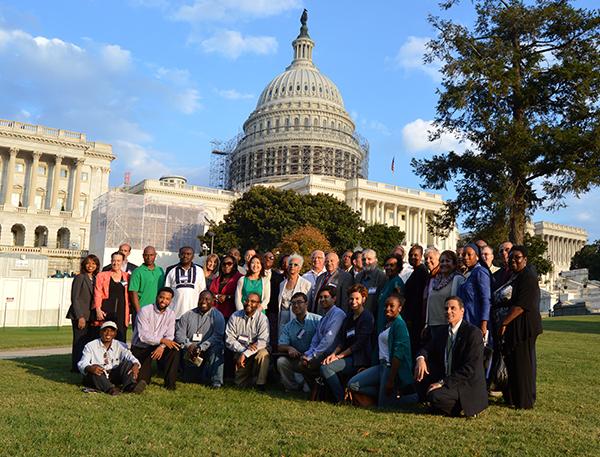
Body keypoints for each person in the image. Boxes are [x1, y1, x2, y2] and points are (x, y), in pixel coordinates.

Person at [414, 296, 488, 417]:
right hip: (447, 376)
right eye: (446, 308)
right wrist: (421, 359)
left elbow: (469, 369)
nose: (448, 311)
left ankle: (462, 407)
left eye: (453, 308)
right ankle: (437, 403)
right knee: (420, 375)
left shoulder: (473, 333)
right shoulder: (442, 332)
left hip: (464, 383)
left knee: (435, 396)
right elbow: (426, 348)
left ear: (462, 311)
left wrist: (442, 383)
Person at [347, 294, 414, 408]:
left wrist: (391, 380)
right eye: (386, 305)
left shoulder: (400, 325)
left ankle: (409, 399)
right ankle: (387, 395)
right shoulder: (386, 324)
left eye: (392, 306)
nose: (387, 308)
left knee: (382, 407)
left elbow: (398, 355)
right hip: (381, 366)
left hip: (390, 369)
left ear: (400, 308)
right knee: (352, 384)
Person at [499, 246, 542, 409]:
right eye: (511, 258)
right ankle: (516, 398)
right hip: (519, 325)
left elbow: (521, 305)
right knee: (516, 363)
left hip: (525, 327)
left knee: (523, 364)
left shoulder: (528, 277)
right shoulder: (519, 276)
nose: (513, 260)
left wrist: (504, 322)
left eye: (517, 257)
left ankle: (524, 401)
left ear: (525, 259)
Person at [320, 284, 374, 403]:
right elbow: (342, 340)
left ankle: (341, 399)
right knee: (326, 363)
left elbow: (359, 344)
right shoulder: (348, 317)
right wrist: (333, 355)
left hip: (359, 359)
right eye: (351, 298)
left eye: (357, 299)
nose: (353, 301)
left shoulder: (367, 317)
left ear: (363, 299)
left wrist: (339, 356)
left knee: (326, 368)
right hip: (347, 356)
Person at [130, 287, 179, 391]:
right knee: (143, 379)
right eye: (161, 297)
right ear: (157, 297)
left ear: (170, 301)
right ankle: (143, 378)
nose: (163, 301)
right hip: (142, 347)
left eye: (167, 299)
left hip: (158, 346)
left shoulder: (171, 314)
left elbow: (169, 336)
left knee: (174, 349)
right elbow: (143, 336)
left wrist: (162, 346)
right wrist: (162, 341)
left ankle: (170, 385)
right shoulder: (145, 310)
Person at [299, 286, 346, 390]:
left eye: (326, 297)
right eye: (320, 297)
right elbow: (315, 339)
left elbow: (328, 340)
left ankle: (325, 392)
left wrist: (313, 356)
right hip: (321, 352)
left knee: (307, 364)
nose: (322, 299)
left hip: (332, 353)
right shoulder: (324, 317)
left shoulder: (338, 314)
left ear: (334, 299)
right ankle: (318, 391)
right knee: (302, 363)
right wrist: (308, 354)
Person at [176, 290, 225, 388]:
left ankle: (216, 381)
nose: (203, 301)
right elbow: (179, 334)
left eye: (207, 299)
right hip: (190, 350)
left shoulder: (218, 316)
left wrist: (201, 347)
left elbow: (217, 336)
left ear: (213, 301)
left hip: (208, 349)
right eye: (201, 299)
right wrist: (189, 345)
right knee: (190, 379)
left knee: (219, 347)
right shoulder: (188, 315)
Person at [78, 321, 143, 395]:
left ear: (115, 333)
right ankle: (110, 389)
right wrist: (90, 368)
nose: (108, 333)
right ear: (100, 332)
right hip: (99, 374)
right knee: (94, 371)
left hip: (113, 373)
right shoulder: (90, 346)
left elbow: (130, 357)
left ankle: (130, 386)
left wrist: (135, 364)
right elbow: (82, 363)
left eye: (112, 331)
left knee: (129, 363)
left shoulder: (121, 345)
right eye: (105, 330)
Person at [276, 292, 321, 391]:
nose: (296, 305)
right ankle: (292, 387)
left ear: (306, 304)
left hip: (313, 359)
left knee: (307, 390)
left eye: (299, 302)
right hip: (297, 359)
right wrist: (289, 348)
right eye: (293, 303)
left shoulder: (318, 320)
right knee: (281, 361)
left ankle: (307, 384)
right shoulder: (288, 326)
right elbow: (280, 345)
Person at [225, 292, 270, 389]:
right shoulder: (235, 316)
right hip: (240, 350)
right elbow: (229, 339)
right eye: (247, 300)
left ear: (258, 304)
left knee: (263, 354)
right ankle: (252, 379)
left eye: (253, 301)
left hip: (257, 350)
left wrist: (246, 353)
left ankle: (260, 384)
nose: (248, 303)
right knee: (239, 384)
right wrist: (243, 350)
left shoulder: (262, 319)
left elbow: (263, 341)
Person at [67, 254, 100, 372]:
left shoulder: (96, 279)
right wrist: (80, 316)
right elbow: (74, 298)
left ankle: (85, 365)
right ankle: (76, 367)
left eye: (93, 263)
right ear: (84, 264)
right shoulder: (80, 277)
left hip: (91, 316)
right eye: (88, 263)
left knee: (88, 342)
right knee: (79, 341)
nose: (90, 266)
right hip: (80, 315)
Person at [425, 250, 464, 338]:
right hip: (432, 324)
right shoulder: (436, 280)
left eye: (448, 261)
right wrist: (426, 323)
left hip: (447, 324)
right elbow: (430, 302)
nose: (444, 264)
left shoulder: (458, 279)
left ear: (454, 264)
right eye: (442, 261)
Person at [93, 252, 130, 342]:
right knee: (105, 337)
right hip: (106, 312)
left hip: (122, 313)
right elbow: (97, 293)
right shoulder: (102, 276)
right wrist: (98, 309)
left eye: (118, 261)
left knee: (120, 339)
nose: (115, 263)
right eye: (113, 260)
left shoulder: (127, 277)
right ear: (111, 261)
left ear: (123, 262)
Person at [457, 243, 491, 337]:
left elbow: (486, 299)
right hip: (465, 320)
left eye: (469, 254)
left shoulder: (480, 272)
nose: (466, 257)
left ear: (477, 256)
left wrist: (484, 323)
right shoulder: (468, 273)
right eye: (464, 255)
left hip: (476, 320)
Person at [402, 245, 429, 359]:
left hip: (416, 318)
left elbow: (418, 297)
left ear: (421, 256)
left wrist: (411, 318)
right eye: (411, 255)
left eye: (415, 255)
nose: (413, 257)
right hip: (411, 316)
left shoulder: (422, 272)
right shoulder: (415, 271)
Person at [164, 246, 206, 320]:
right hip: (175, 315)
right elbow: (166, 294)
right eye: (183, 253)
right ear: (179, 255)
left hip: (194, 315)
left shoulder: (199, 271)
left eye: (188, 254)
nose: (185, 256)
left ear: (193, 256)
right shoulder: (172, 271)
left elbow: (202, 292)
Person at [129, 245, 166, 325]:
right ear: (143, 256)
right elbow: (133, 292)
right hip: (142, 309)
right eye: (146, 255)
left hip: (157, 310)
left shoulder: (160, 271)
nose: (149, 258)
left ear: (155, 255)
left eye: (151, 255)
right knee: (140, 336)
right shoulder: (137, 271)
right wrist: (139, 311)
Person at [277, 254, 312, 338]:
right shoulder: (282, 284)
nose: (292, 266)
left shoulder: (306, 284)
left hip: (298, 317)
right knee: (282, 340)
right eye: (290, 264)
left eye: (295, 265)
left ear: (300, 268)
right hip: (282, 317)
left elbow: (308, 304)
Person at [375, 254, 405, 335]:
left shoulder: (397, 283)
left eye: (392, 265)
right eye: (386, 265)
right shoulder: (387, 282)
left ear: (398, 267)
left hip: (388, 326)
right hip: (381, 323)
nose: (388, 267)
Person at [209, 254, 243, 320]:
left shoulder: (240, 278)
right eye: (224, 264)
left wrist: (227, 297)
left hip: (232, 315)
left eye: (229, 264)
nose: (226, 266)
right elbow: (210, 292)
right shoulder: (216, 279)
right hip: (216, 313)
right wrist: (214, 296)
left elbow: (242, 295)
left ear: (234, 265)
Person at [354, 249, 386, 315]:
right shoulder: (358, 276)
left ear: (375, 260)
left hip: (374, 315)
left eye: (369, 259)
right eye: (363, 259)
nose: (366, 262)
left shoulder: (381, 277)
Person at [265, 252, 285, 351]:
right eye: (266, 257)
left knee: (272, 337)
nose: (268, 259)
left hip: (273, 311)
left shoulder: (279, 277)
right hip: (259, 310)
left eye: (271, 258)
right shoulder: (256, 275)